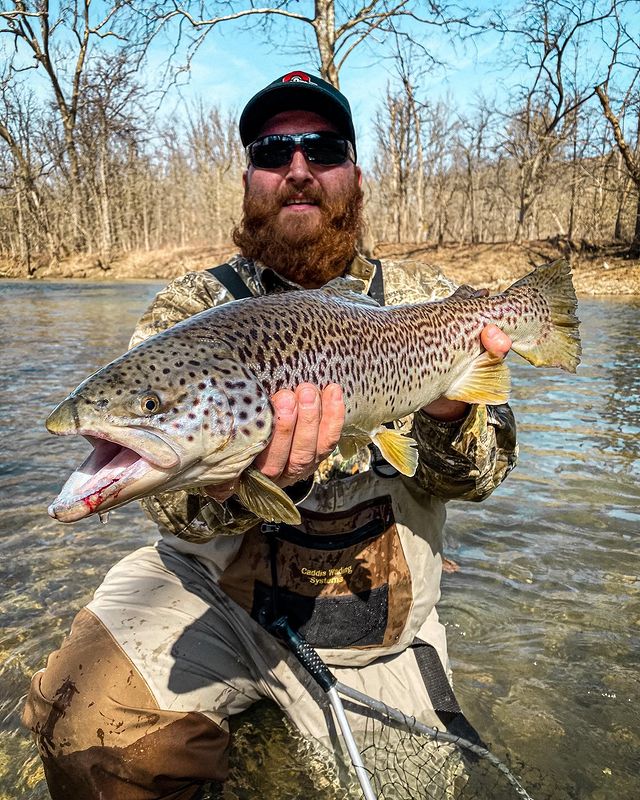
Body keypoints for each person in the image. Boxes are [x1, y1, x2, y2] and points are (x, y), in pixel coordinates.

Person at [23, 71, 517, 800]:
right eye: (272, 150)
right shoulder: (192, 309)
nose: (297, 169)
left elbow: (483, 474)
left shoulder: (431, 302)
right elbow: (167, 510)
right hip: (214, 595)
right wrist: (246, 486)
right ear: (249, 175)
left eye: (321, 148)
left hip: (378, 616)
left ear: (355, 172)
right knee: (80, 726)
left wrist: (445, 409)